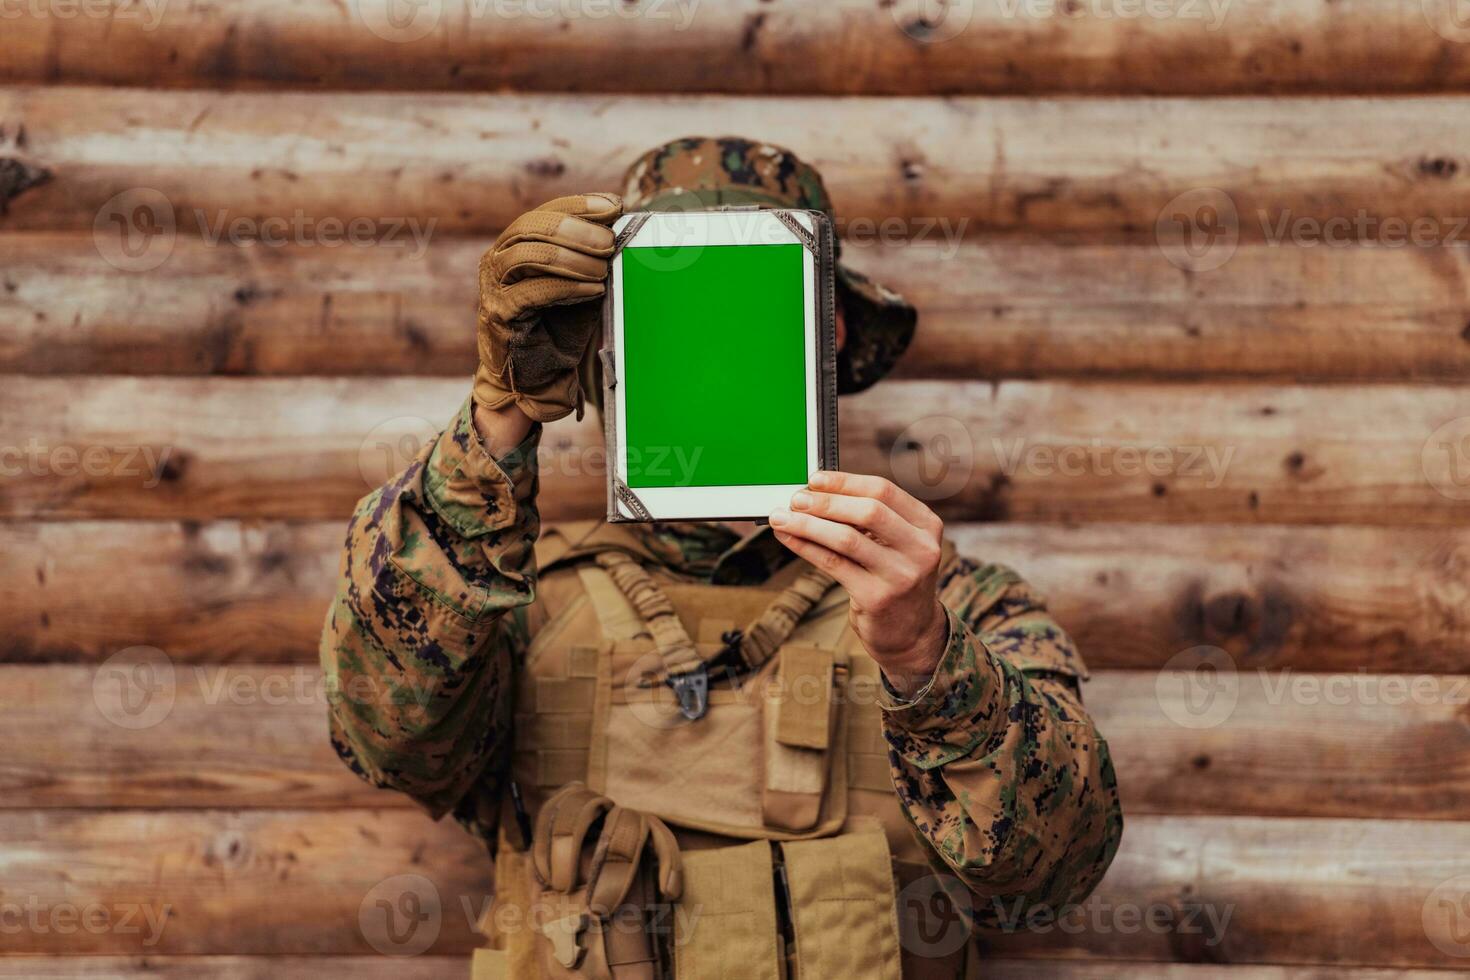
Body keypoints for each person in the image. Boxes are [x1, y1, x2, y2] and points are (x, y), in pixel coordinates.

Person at [320, 136, 1122, 979]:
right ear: (602, 345)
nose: (713, 354)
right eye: (671, 317)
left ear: (831, 331)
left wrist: (927, 658)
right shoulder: (509, 601)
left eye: (751, 312)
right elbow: (388, 737)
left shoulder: (953, 605)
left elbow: (1055, 873)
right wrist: (496, 423)